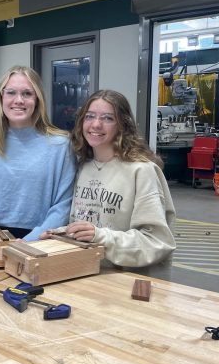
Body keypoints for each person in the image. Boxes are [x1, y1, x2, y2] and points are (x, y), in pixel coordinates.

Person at [41, 90, 176, 267]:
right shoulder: (82, 167)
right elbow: (87, 227)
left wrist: (100, 236)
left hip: (127, 281)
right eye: (89, 116)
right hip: (86, 272)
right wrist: (60, 233)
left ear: (123, 125)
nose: (96, 124)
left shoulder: (142, 171)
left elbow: (157, 242)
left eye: (107, 118)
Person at [0, 65, 75, 240]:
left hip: (42, 240)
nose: (19, 100)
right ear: (1, 97)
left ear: (37, 99)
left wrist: (30, 241)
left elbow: (63, 206)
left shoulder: (61, 146)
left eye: (27, 93)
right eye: (11, 93)